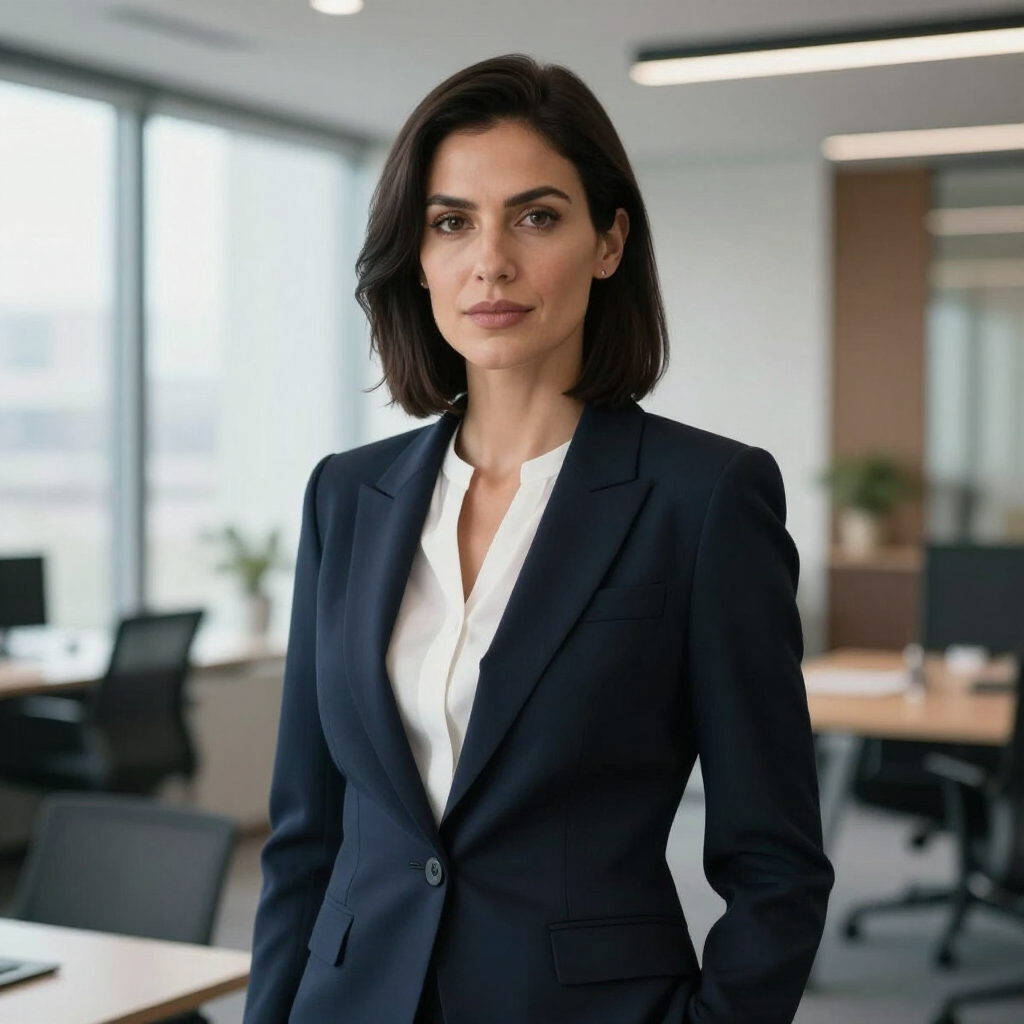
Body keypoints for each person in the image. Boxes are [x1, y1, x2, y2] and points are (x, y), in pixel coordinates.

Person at [243, 54, 834, 1024]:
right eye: (451, 222)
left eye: (536, 217)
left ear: (608, 242)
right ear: (417, 256)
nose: (491, 262)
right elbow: (305, 837)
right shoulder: (344, 496)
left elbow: (775, 860)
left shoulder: (704, 498)